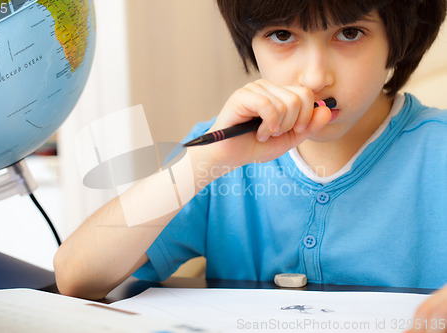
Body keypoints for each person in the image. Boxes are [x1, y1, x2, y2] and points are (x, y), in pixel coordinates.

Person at [54, 0, 447, 331]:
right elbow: (76, 277)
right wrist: (207, 159)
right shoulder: (219, 152)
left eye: (349, 34)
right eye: (282, 36)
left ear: (398, 39)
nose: (315, 77)